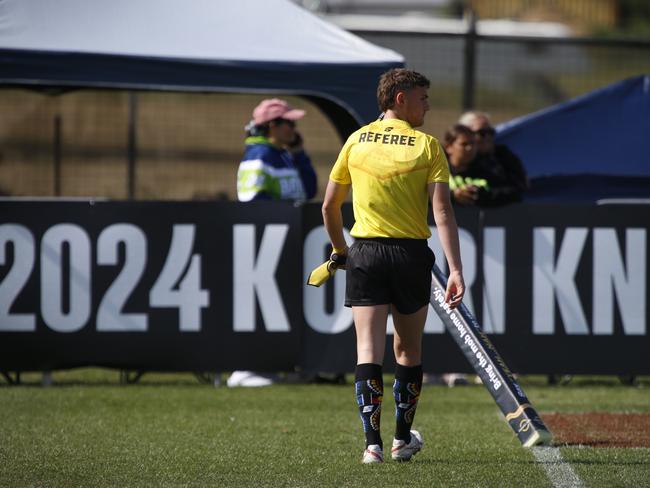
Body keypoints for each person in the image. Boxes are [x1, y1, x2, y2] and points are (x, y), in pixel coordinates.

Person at [321, 68, 465, 464]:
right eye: (423, 98)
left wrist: (340, 250)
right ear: (399, 98)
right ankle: (402, 440)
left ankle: (372, 445)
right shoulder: (427, 146)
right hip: (409, 255)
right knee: (408, 349)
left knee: (368, 349)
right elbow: (442, 213)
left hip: (364, 252)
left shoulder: (355, 140)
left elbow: (329, 206)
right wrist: (455, 270)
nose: (428, 106)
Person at [230, 98, 317, 387]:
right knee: (258, 304)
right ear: (271, 126)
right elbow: (252, 202)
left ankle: (267, 367)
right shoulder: (258, 155)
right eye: (289, 122)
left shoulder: (282, 154)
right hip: (263, 243)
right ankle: (244, 369)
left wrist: (300, 153)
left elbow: (308, 190)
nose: (294, 127)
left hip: (282, 241)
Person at [456, 111, 528, 207]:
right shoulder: (448, 159)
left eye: (491, 132)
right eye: (482, 133)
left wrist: (484, 196)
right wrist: (453, 195)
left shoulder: (502, 156)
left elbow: (520, 187)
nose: (488, 137)